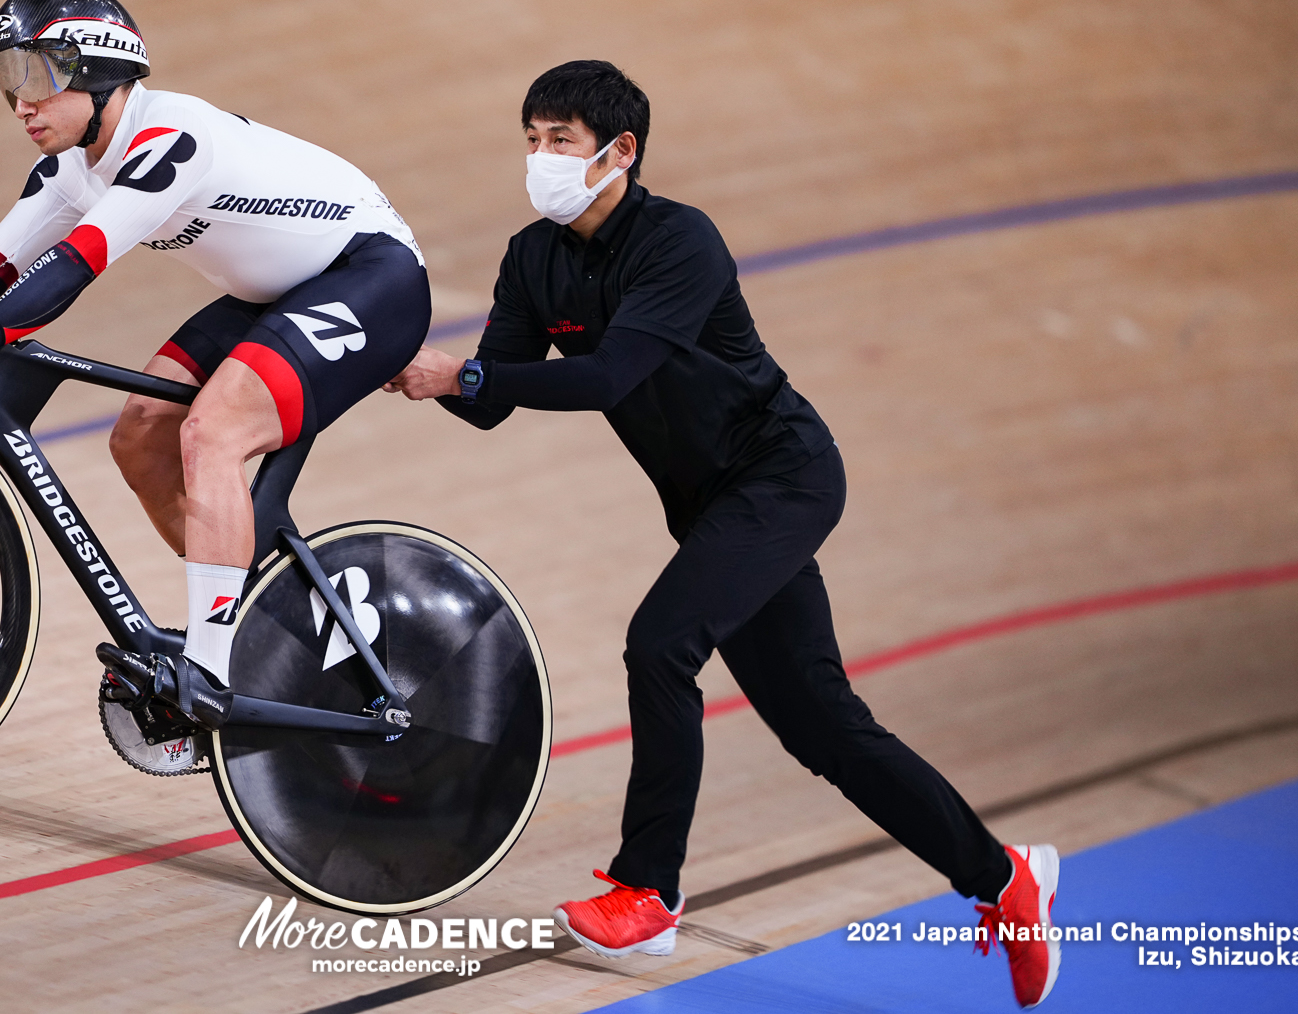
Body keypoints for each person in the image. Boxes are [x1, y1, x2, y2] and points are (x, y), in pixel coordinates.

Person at [382, 60, 1059, 1008]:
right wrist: (410, 367)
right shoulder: (532, 258)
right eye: (531, 139)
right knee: (825, 728)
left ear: (620, 152)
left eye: (561, 141)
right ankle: (1004, 880)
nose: (539, 158)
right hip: (708, 507)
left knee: (660, 645)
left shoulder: (679, 241)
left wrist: (466, 377)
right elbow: (492, 396)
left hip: (782, 475)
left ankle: (648, 890)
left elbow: (608, 375)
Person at [0, 0, 429, 727]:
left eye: (36, 75)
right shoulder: (73, 164)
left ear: (97, 70)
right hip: (279, 293)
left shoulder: (173, 135)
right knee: (140, 436)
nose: (20, 103)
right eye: (9, 78)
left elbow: (80, 259)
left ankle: (209, 666)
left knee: (212, 431)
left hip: (371, 276)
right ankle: (268, 621)